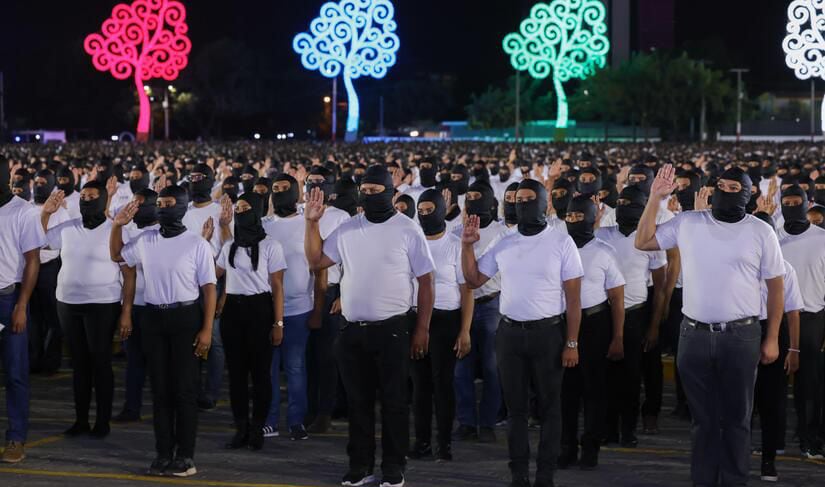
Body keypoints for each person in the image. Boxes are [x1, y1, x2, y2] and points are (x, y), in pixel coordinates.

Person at [635, 165, 784, 487]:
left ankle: (733, 481)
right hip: (694, 334)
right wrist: (654, 199)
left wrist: (772, 337)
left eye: (734, 188)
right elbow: (643, 241)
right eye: (721, 185)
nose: (725, 192)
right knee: (702, 421)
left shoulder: (761, 231)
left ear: (748, 194)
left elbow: (776, 287)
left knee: (737, 420)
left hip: (741, 335)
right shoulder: (688, 223)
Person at [304, 164, 435, 487]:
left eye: (377, 191)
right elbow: (316, 260)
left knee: (393, 402)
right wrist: (311, 223)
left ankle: (393, 468)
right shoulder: (348, 228)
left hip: (392, 329)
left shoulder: (407, 229)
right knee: (358, 404)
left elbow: (427, 282)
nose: (370, 196)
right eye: (366, 191)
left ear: (391, 193)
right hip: (352, 330)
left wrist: (422, 329)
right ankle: (360, 466)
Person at [461, 178, 583, 487]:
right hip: (510, 334)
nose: (522, 205)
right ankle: (519, 475)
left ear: (544, 203)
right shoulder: (505, 241)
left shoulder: (561, 241)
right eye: (517, 200)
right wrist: (467, 246)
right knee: (515, 410)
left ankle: (545, 476)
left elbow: (573, 299)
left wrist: (572, 342)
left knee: (549, 409)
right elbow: (474, 279)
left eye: (530, 199)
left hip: (549, 334)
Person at [111, 184, 217, 477]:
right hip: (154, 320)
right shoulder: (146, 239)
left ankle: (185, 456)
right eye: (160, 203)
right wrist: (117, 226)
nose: (163, 208)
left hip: (186, 318)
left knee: (184, 391)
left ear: (181, 206)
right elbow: (118, 256)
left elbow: (209, 289)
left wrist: (207, 329)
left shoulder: (197, 244)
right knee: (160, 390)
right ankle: (162, 453)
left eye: (169, 203)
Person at [41, 182, 123, 439]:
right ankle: (80, 420)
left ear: (102, 201)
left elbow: (128, 269)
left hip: (103, 304)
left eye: (92, 197)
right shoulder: (68, 227)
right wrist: (46, 213)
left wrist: (127, 308)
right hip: (68, 303)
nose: (86, 200)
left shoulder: (114, 229)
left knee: (100, 361)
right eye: (83, 196)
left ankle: (102, 421)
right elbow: (39, 240)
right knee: (79, 364)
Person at [596, 185, 667, 446]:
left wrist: (654, 326)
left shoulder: (650, 240)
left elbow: (660, 288)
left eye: (631, 203)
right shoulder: (602, 235)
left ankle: (628, 430)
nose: (624, 206)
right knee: (605, 376)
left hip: (635, 314)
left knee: (631, 376)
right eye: (621, 201)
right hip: (604, 314)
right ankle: (608, 429)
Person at [216, 192, 286, 450]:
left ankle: (257, 428)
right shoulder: (229, 246)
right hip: (233, 311)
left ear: (256, 213)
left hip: (260, 310)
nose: (240, 212)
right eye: (238, 208)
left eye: (246, 208)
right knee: (235, 375)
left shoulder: (271, 246)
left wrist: (278, 323)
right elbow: (214, 274)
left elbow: (278, 286)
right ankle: (241, 428)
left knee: (260, 375)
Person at [560, 195, 625, 470]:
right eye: (569, 216)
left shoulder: (603, 251)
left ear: (590, 217)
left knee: (594, 390)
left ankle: (591, 447)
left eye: (579, 216)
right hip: (562, 324)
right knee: (565, 391)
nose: (573, 221)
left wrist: (618, 337)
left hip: (595, 324)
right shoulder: (558, 248)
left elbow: (617, 298)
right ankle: (566, 447)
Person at [409, 189, 473, 462]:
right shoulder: (411, 241)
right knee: (419, 385)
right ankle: (422, 441)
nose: (424, 215)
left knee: (442, 383)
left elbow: (468, 290)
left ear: (440, 209)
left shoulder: (455, 244)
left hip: (446, 320)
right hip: (414, 318)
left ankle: (443, 443)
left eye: (428, 210)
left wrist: (465, 330)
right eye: (420, 211)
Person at [262, 174, 326, 441]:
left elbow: (320, 270)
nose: (278, 192)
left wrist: (318, 309)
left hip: (299, 309)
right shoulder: (264, 225)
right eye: (274, 189)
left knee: (296, 368)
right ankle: (269, 420)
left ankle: (296, 420)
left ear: (296, 191)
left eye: (283, 189)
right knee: (269, 369)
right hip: (266, 310)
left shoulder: (307, 224)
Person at [452, 181, 509, 444]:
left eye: (478, 197)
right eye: (469, 197)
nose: (473, 201)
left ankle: (487, 422)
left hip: (491, 305)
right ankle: (466, 422)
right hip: (462, 305)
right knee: (461, 368)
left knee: (491, 367)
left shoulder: (503, 233)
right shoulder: (455, 232)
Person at [776, 184, 825, 459]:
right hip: (777, 320)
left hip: (812, 319)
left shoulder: (822, 238)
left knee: (809, 386)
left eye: (797, 202)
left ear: (808, 204)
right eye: (787, 202)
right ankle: (776, 440)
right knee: (775, 386)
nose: (792, 207)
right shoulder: (772, 237)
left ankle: (810, 439)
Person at [0, 158, 43, 464]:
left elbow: (32, 261)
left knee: (15, 373)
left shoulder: (22, 211)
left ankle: (16, 437)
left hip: (7, 300)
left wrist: (22, 306)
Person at [306, 177, 352, 434]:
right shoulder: (300, 214)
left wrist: (342, 295)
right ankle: (309, 410)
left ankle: (324, 411)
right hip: (301, 295)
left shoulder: (340, 218)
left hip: (328, 293)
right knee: (307, 358)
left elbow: (344, 261)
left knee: (325, 358)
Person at [183, 163, 229, 411]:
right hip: (187, 280)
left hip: (214, 278)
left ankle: (210, 392)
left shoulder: (220, 211)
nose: (195, 181)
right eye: (191, 177)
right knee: (191, 337)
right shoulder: (184, 211)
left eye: (200, 177)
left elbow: (230, 251)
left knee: (215, 340)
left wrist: (224, 293)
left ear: (210, 180)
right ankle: (193, 389)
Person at [113, 188, 159, 423]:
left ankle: (165, 408)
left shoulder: (164, 232)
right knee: (135, 361)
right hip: (136, 304)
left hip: (160, 307)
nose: (134, 207)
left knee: (161, 362)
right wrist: (118, 226)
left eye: (139, 203)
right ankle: (132, 407)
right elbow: (117, 257)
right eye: (133, 202)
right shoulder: (131, 230)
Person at [29, 169, 65, 374]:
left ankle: (51, 360)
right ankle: (34, 358)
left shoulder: (61, 211)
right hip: (28, 267)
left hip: (50, 268)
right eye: (37, 182)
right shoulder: (25, 208)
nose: (40, 185)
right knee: (33, 316)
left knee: (52, 317)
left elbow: (51, 243)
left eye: (44, 182)